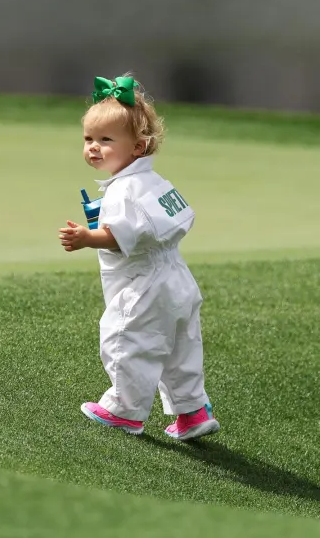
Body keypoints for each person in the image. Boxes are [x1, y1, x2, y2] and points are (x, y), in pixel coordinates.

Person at [58, 74, 221, 439]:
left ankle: (123, 410)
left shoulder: (124, 189)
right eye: (89, 139)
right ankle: (193, 411)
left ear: (138, 147)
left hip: (144, 284)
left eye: (106, 140)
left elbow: (120, 236)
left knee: (126, 339)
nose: (94, 148)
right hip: (177, 279)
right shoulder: (155, 182)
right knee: (180, 349)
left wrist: (87, 237)